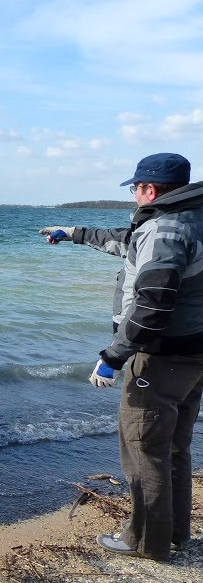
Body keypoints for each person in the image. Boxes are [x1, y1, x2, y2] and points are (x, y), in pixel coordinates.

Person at [41, 152, 203, 560]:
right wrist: (74, 232)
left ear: (149, 189)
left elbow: (151, 306)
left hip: (162, 357)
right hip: (194, 354)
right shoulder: (188, 220)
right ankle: (175, 533)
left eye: (135, 188)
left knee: (143, 446)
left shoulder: (166, 230)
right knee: (174, 446)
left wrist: (113, 357)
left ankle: (146, 543)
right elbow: (129, 243)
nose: (134, 196)